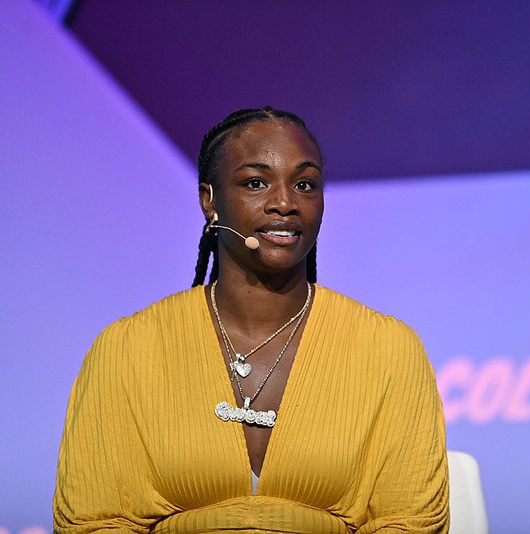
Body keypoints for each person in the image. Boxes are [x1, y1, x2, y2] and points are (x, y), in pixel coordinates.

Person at [53, 106, 450, 533]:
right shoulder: (127, 349)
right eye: (256, 183)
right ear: (209, 200)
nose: (285, 203)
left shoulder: (389, 350)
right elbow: (93, 522)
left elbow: (411, 523)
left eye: (304, 184)